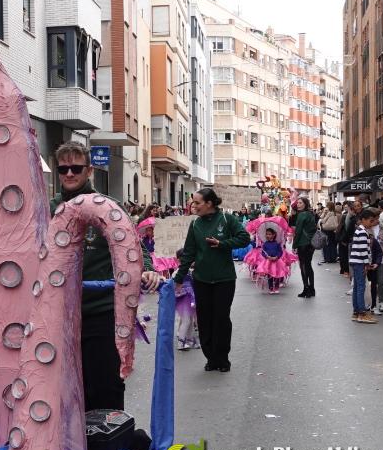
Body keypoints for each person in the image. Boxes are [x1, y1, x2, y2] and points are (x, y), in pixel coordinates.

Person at [50, 143, 159, 410]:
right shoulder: (47, 208)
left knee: (105, 385)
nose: (70, 174)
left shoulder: (110, 207)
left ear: (89, 171)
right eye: (64, 168)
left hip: (102, 311)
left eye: (76, 168)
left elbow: (135, 246)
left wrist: (147, 268)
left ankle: (109, 445)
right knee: (61, 389)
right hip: (59, 313)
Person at [173, 188, 251, 372]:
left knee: (221, 319)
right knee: (205, 320)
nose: (193, 206)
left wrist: (222, 244)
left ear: (209, 203)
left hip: (224, 279)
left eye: (197, 202)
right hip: (201, 280)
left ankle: (222, 358)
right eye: (193, 202)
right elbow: (189, 252)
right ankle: (211, 358)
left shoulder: (227, 219)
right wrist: (179, 277)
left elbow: (244, 238)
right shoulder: (195, 225)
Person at [349, 208, 379, 324]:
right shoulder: (362, 232)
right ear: (363, 220)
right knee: (360, 287)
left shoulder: (360, 230)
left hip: (357, 262)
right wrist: (367, 264)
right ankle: (361, 312)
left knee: (357, 287)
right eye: (370, 221)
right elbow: (363, 251)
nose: (372, 224)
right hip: (360, 263)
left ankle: (356, 312)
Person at [291, 197, 317, 298]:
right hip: (311, 244)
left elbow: (298, 232)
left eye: (300, 203)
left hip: (303, 243)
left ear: (305, 204)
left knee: (303, 266)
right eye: (297, 203)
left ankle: (306, 289)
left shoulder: (301, 215)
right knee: (308, 266)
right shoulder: (311, 214)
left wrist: (294, 245)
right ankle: (312, 289)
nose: (298, 204)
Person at [260, 228, 285, 294]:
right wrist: (266, 256)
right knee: (269, 275)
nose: (268, 235)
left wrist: (277, 257)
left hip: (276, 261)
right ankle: (270, 288)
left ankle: (276, 287)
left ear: (273, 235)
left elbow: (280, 252)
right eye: (267, 234)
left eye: (269, 234)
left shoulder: (277, 244)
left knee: (277, 274)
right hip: (269, 262)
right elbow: (263, 252)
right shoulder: (265, 244)